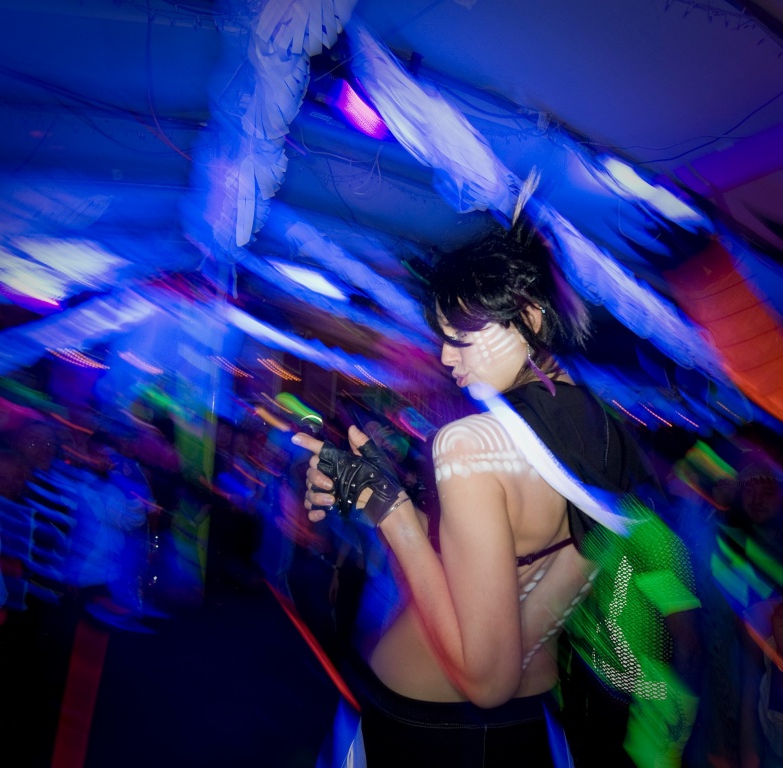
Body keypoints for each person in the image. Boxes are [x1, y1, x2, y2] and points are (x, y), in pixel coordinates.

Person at [293, 222, 698, 767]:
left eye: (459, 337)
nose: (445, 357)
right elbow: (516, 592)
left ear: (529, 316)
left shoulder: (468, 444)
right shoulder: (605, 437)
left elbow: (488, 680)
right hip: (525, 725)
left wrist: (393, 513)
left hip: (431, 731)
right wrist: (377, 492)